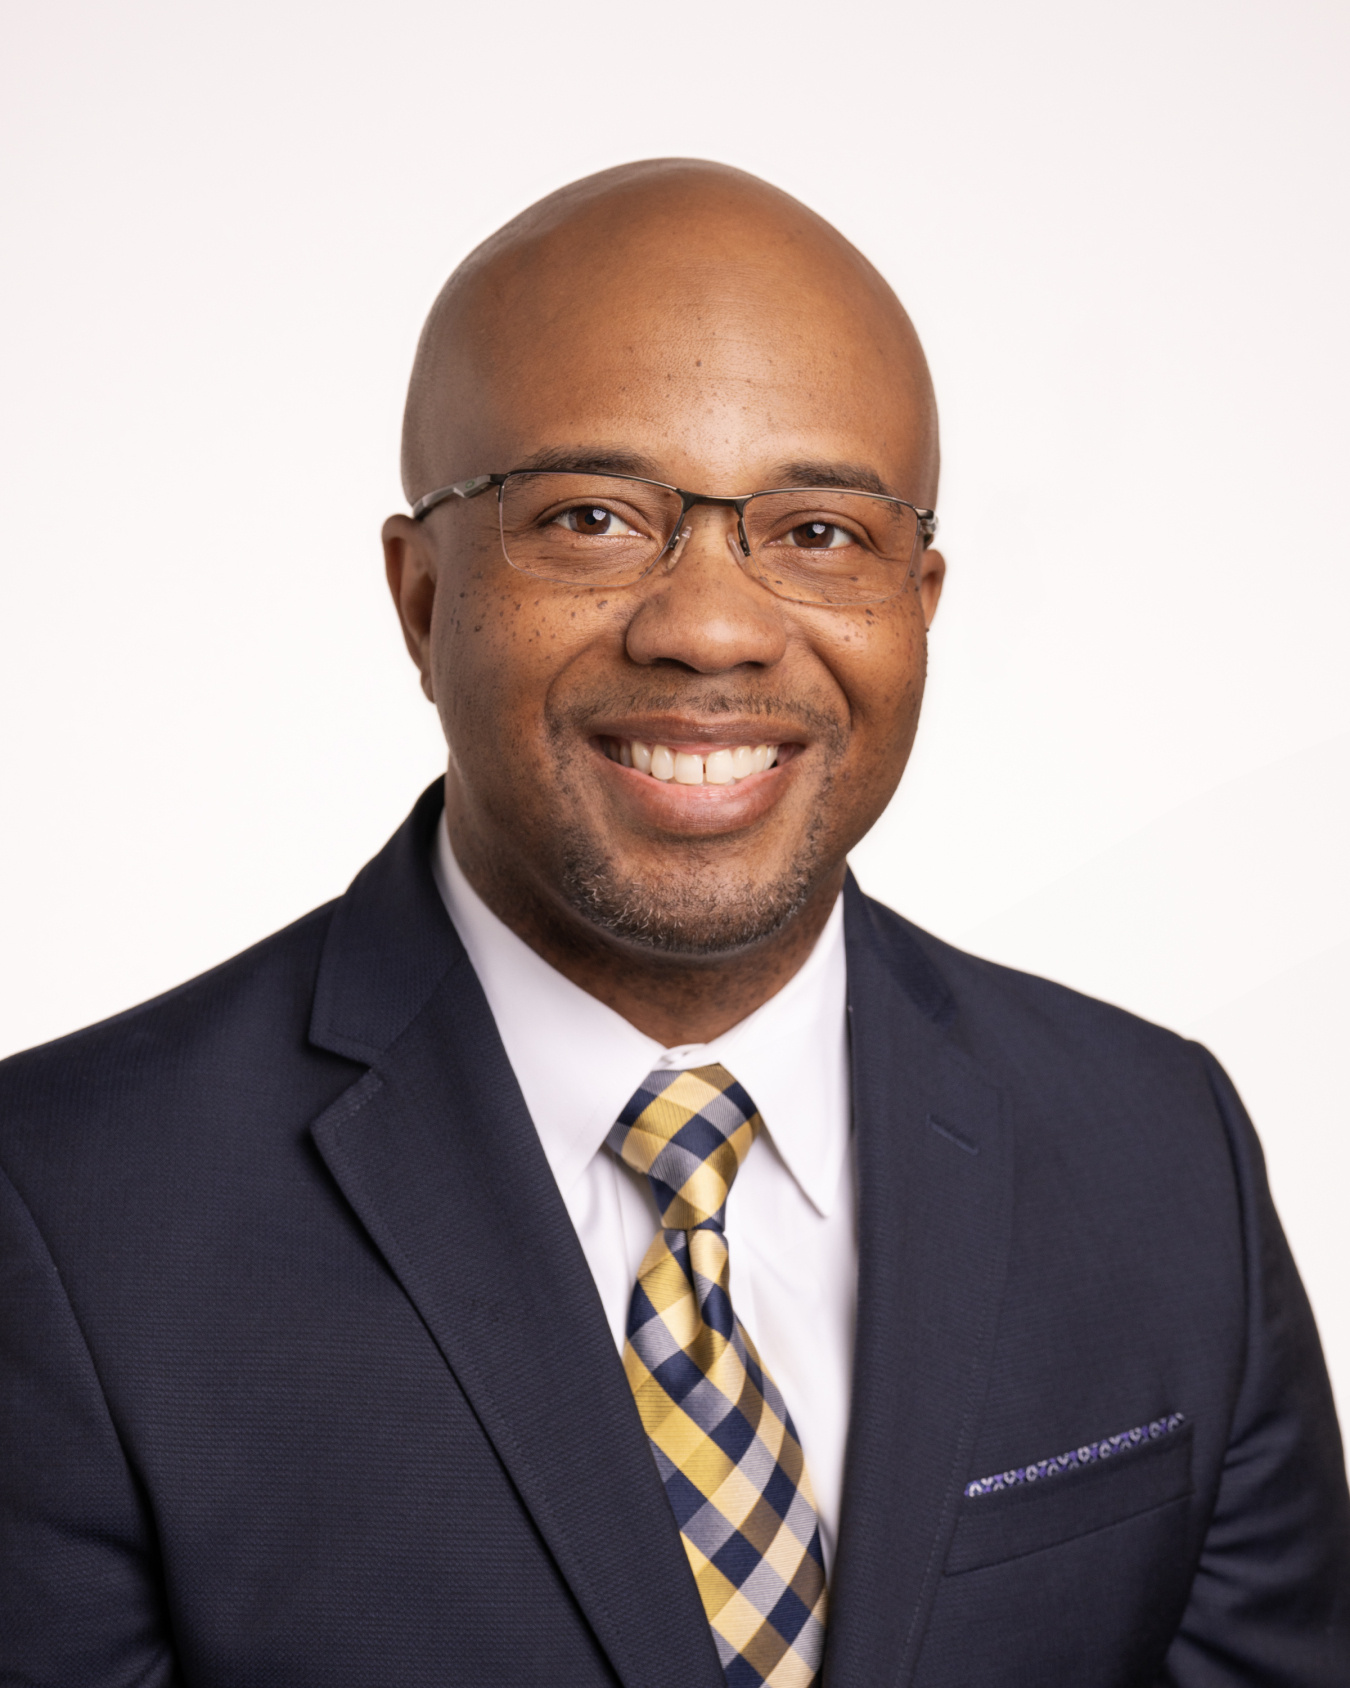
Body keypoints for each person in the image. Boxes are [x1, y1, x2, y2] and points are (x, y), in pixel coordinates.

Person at [0, 158, 1345, 1687]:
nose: (710, 628)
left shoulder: (1163, 1154)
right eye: (590, 518)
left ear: (918, 600)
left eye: (819, 533)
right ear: (421, 599)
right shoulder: (61, 1216)